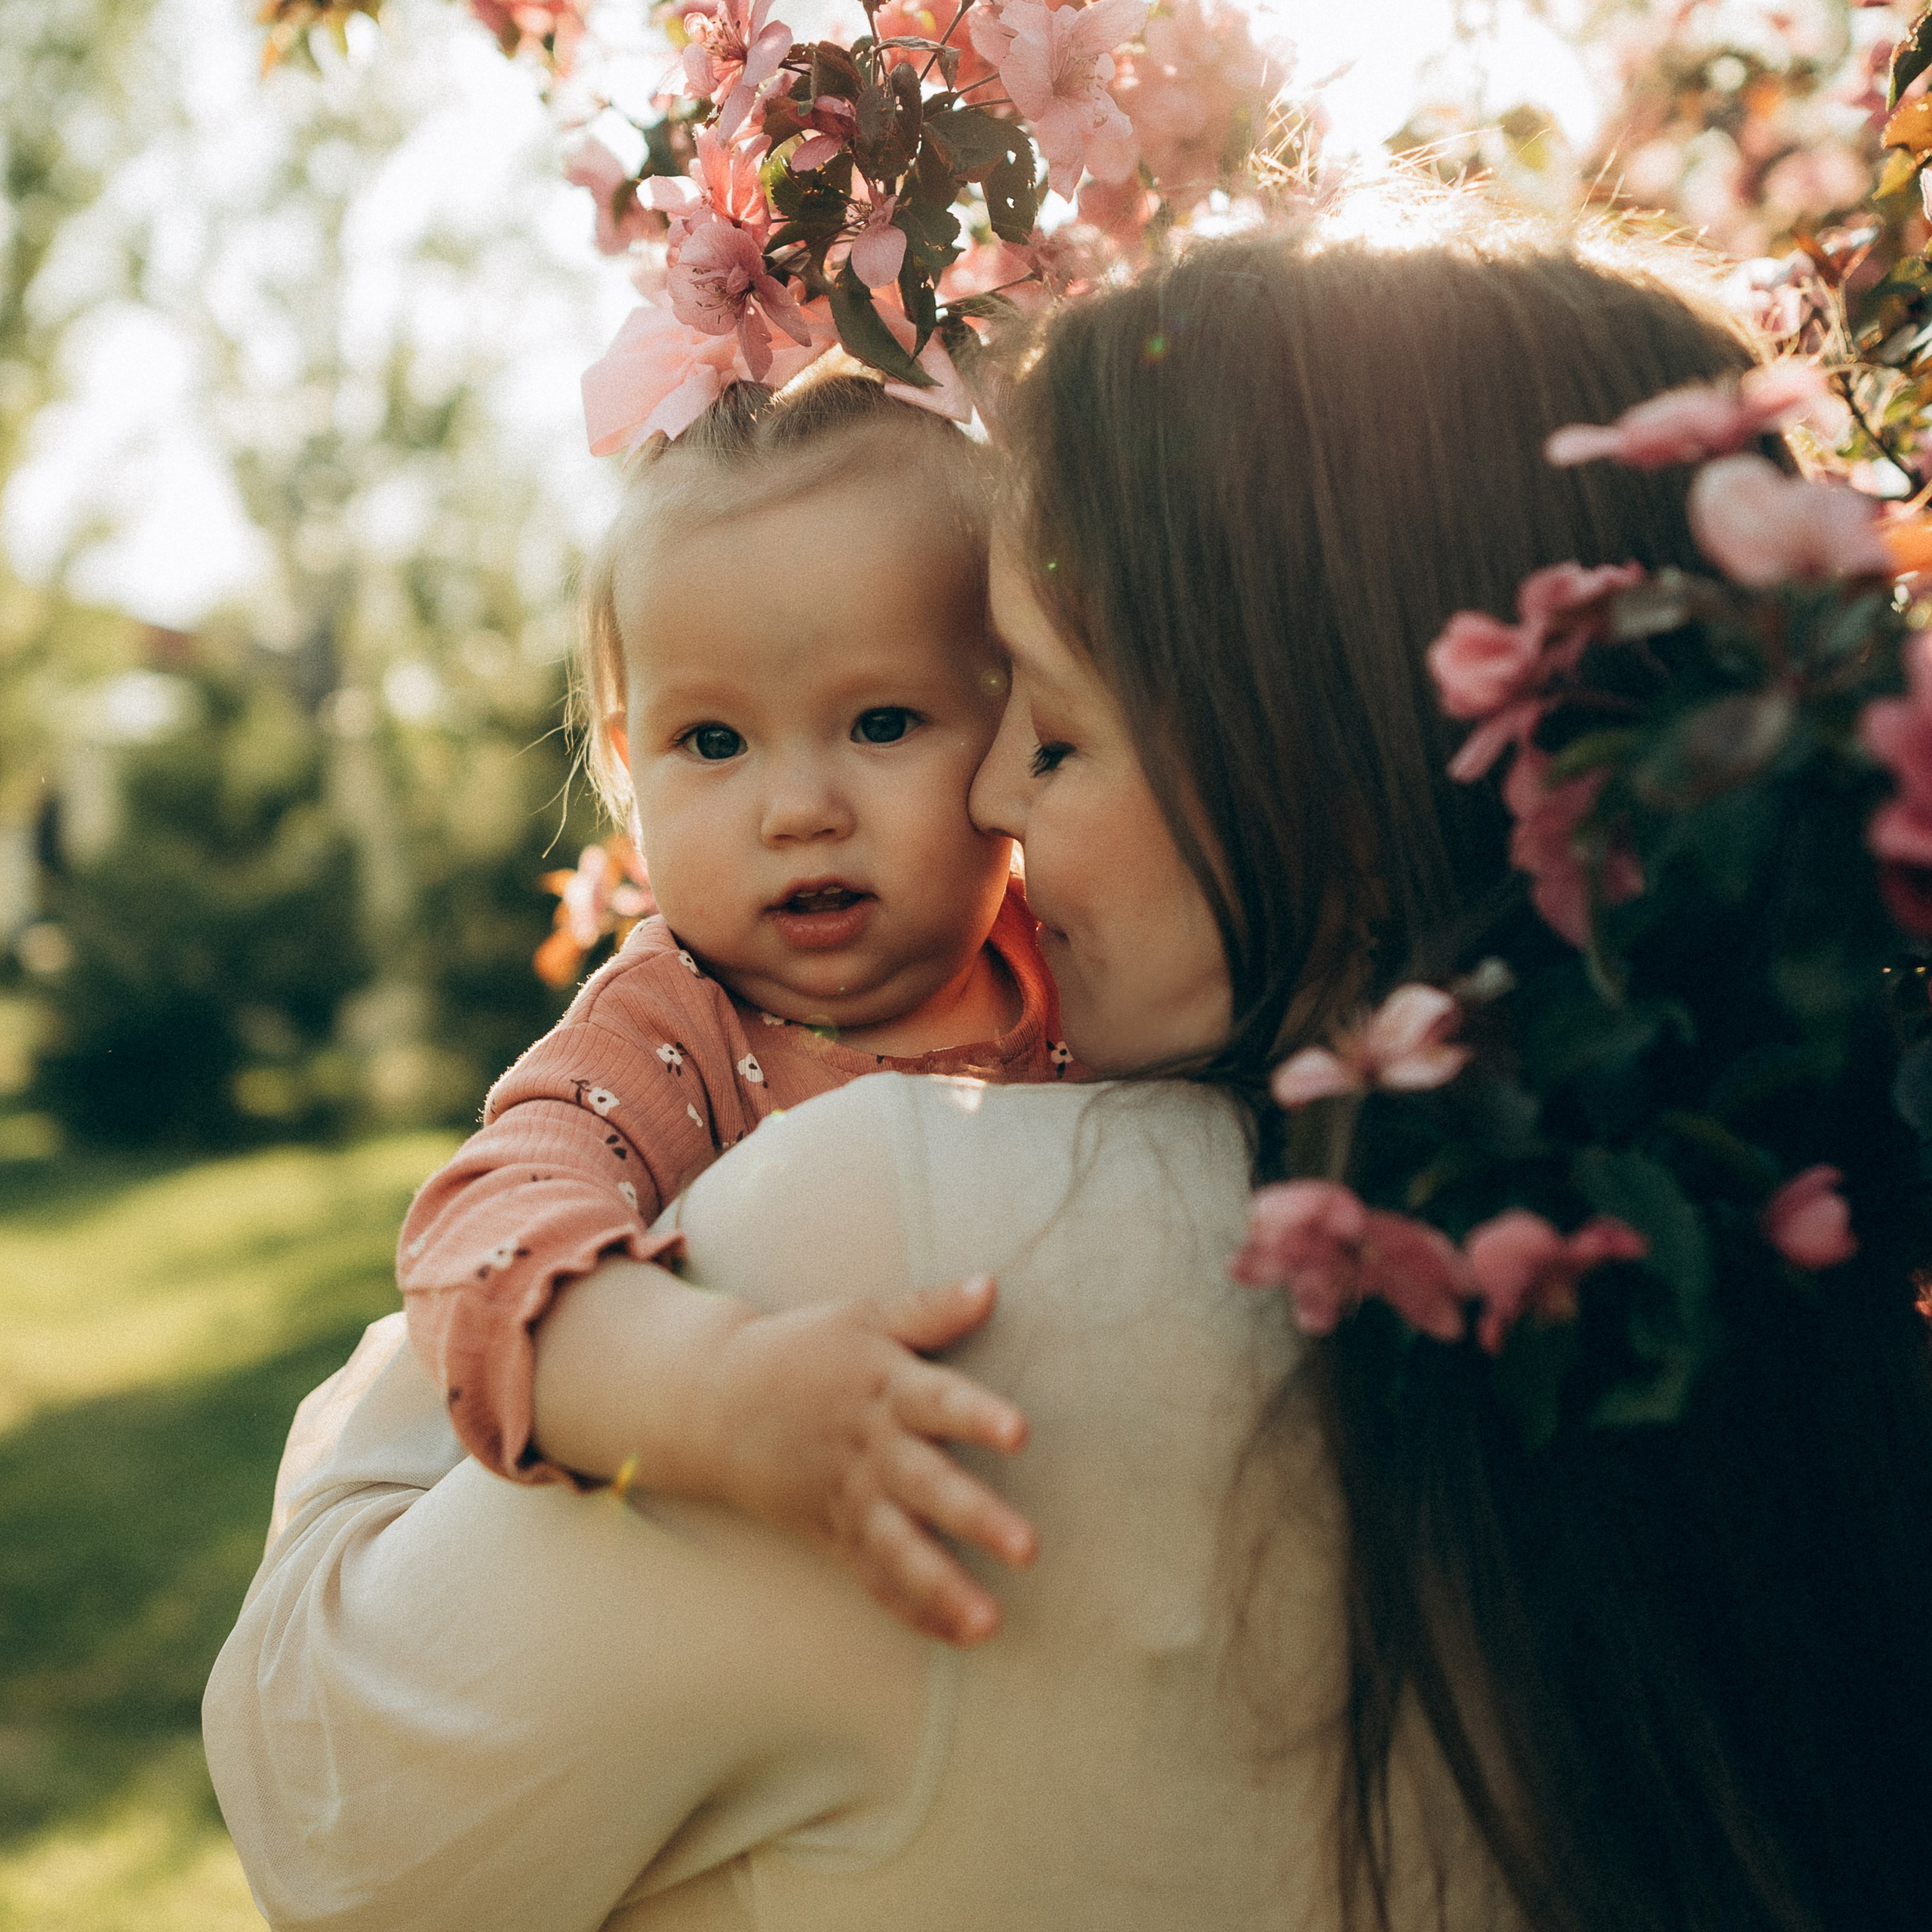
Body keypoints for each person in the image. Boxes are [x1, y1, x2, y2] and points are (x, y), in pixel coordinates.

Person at [205, 207, 1932, 1932]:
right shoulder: (1734, 1320)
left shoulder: (900, 1251)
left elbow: (336, 1820)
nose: (992, 806)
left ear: (1305, 766)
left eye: (1039, 726)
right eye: (710, 737)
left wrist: (397, 1389)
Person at [398, 376, 1070, 1643]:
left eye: (882, 722)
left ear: (1020, 723)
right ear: (624, 762)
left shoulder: (1085, 959)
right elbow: (486, 1241)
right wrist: (723, 1398)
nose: (797, 807)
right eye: (713, 743)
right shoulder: (673, 1030)